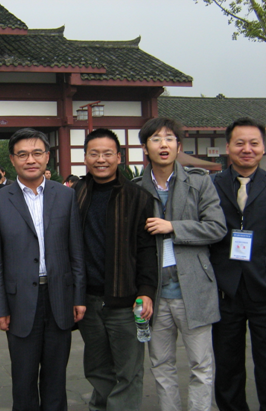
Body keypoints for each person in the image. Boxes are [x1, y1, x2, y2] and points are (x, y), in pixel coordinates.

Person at [0, 128, 85, 411]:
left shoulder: (65, 196)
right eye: (23, 154)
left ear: (47, 157)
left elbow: (76, 252)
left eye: (37, 153)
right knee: (23, 382)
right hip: (19, 303)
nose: (31, 159)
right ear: (12, 160)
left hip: (59, 298)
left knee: (56, 381)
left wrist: (79, 296)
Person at [135, 117, 226, 411]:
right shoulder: (136, 189)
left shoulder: (199, 182)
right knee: (162, 365)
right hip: (156, 294)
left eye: (169, 138)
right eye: (156, 139)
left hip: (194, 290)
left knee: (202, 365)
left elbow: (217, 227)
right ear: (145, 148)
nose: (163, 144)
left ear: (178, 145)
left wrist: (173, 227)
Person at [73, 128, 157, 411]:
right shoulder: (76, 194)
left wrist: (146, 291)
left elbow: (147, 249)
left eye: (107, 153)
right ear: (85, 157)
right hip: (88, 300)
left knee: (128, 372)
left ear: (119, 157)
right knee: (97, 369)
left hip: (126, 300)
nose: (101, 159)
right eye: (94, 153)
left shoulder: (138, 197)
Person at [209, 117, 266, 411]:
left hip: (263, 287)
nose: (247, 149)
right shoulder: (211, 185)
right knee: (227, 365)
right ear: (228, 147)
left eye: (254, 143)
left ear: (263, 148)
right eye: (240, 143)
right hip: (225, 290)